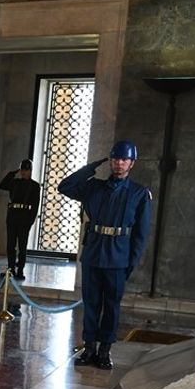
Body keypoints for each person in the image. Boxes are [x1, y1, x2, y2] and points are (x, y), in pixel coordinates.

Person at [58, 140, 151, 370]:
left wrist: (131, 262)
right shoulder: (94, 187)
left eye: (124, 160)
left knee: (111, 306)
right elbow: (65, 186)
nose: (119, 164)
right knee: (91, 303)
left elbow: (141, 234)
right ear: (110, 161)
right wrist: (90, 168)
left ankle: (104, 351)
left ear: (132, 163)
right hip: (93, 254)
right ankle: (89, 348)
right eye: (115, 159)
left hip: (118, 258)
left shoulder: (139, 194)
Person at [0, 158, 42, 281]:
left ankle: (20, 270)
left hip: (24, 218)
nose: (24, 172)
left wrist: (30, 221)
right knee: (10, 245)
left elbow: (35, 205)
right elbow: (1, 185)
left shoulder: (34, 186)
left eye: (26, 170)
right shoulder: (15, 182)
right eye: (22, 169)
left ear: (30, 171)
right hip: (12, 216)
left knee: (22, 246)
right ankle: (10, 268)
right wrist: (13, 173)